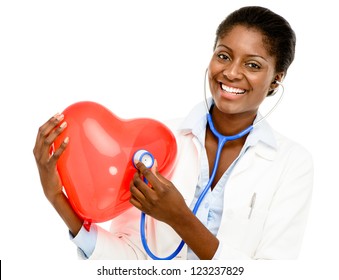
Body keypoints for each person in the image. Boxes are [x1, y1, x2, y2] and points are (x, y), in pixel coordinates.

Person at [33, 6, 313, 260]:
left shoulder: (292, 164)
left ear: (276, 79)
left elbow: (273, 274)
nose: (231, 72)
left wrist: (179, 218)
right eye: (224, 56)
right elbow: (131, 259)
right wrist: (57, 198)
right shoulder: (157, 140)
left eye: (252, 64)